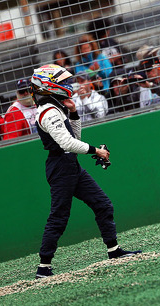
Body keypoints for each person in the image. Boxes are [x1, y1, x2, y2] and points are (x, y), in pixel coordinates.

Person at [29, 64, 140, 279]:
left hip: (70, 165)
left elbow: (74, 139)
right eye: (60, 82)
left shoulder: (57, 106)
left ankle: (114, 251)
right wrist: (96, 150)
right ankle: (43, 267)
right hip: (61, 168)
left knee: (103, 204)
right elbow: (67, 143)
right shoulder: (48, 110)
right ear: (47, 85)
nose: (65, 85)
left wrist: (73, 112)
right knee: (59, 217)